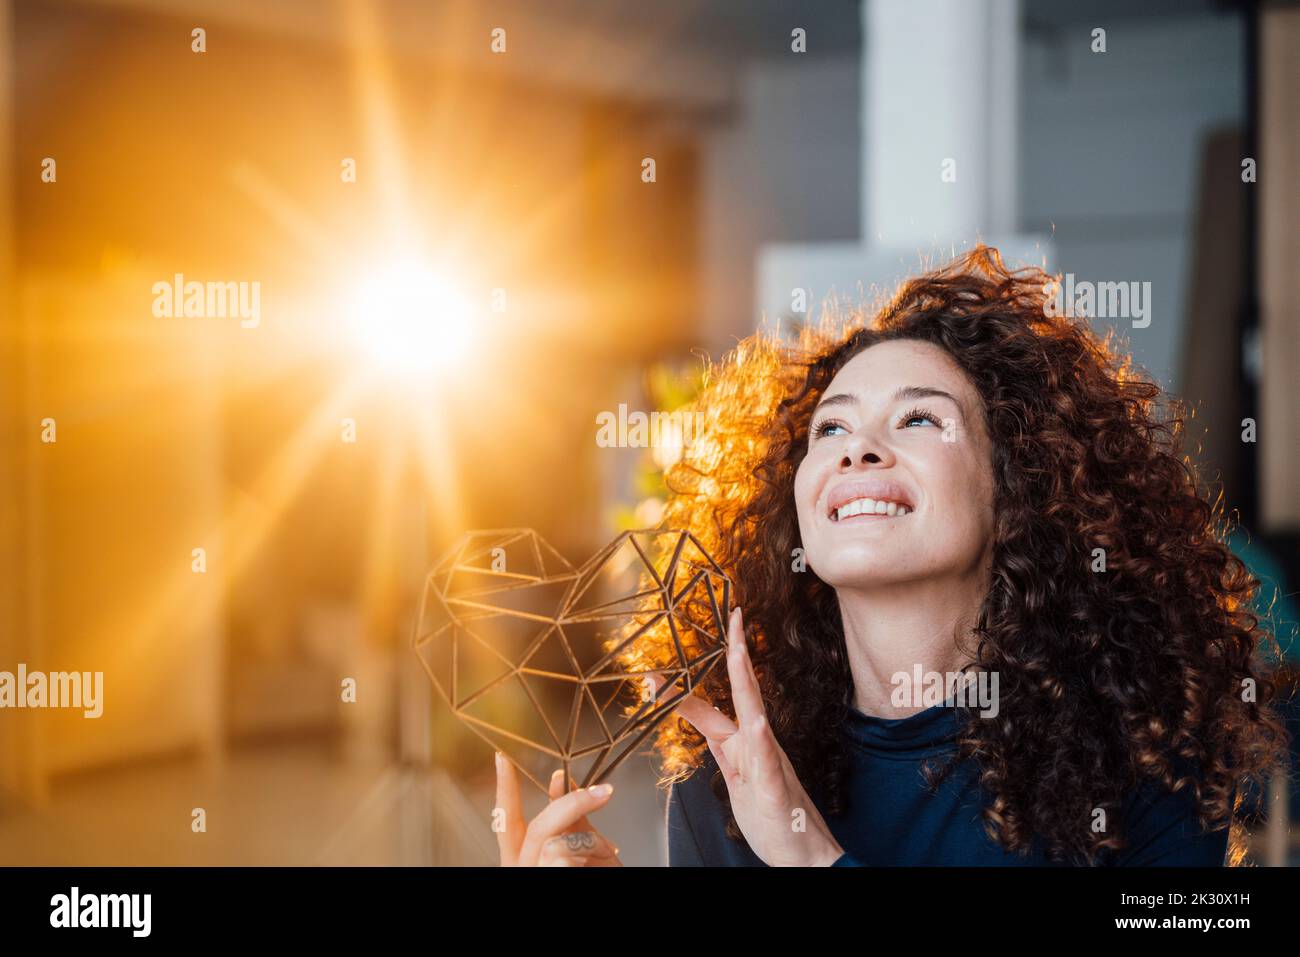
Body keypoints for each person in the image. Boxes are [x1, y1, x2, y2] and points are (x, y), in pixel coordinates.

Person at [494, 245, 1289, 867]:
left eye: (918, 420)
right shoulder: (726, 773)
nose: (858, 450)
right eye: (831, 430)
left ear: (1016, 487)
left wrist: (811, 855)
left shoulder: (1149, 750)